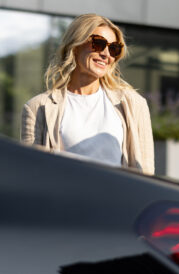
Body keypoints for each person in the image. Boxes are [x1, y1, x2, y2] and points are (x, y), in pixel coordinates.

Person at [21, 13, 154, 174]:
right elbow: (31, 173)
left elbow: (146, 173)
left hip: (117, 198)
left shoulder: (133, 104)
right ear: (76, 45)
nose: (106, 54)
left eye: (114, 49)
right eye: (98, 44)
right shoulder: (38, 107)